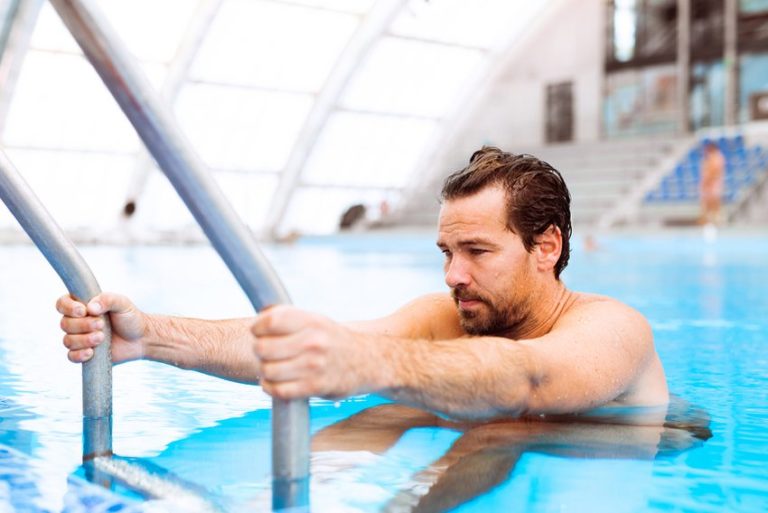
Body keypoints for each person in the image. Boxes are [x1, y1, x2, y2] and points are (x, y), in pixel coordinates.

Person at [57, 146, 669, 421]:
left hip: (601, 451)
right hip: (499, 435)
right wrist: (149, 338)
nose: (454, 276)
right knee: (386, 420)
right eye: (447, 252)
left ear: (548, 247)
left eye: (477, 251)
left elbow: (528, 378)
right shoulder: (450, 315)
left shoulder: (614, 329)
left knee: (462, 424)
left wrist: (369, 364)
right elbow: (319, 339)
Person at [699, 141, 725, 226]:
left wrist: (707, 182)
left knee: (713, 202)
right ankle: (709, 220)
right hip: (709, 184)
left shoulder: (716, 157)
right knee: (707, 203)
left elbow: (713, 171)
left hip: (712, 184)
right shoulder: (709, 157)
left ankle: (715, 220)